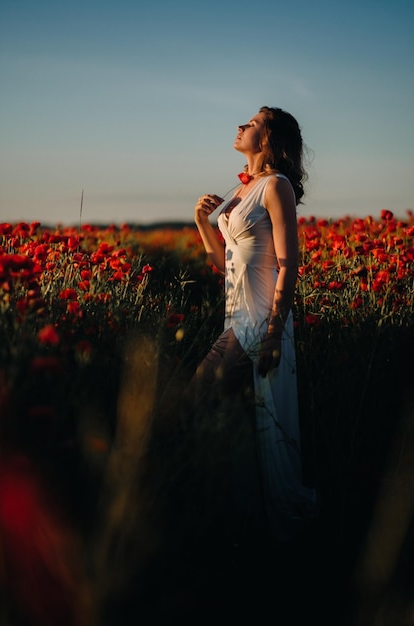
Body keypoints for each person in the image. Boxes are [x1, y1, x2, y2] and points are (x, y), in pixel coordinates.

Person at [192, 106, 316, 543]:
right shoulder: (240, 189)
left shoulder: (275, 186)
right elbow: (221, 263)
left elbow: (289, 264)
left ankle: (230, 507)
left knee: (201, 389)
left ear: (269, 139)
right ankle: (237, 506)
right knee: (233, 411)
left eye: (253, 122)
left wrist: (273, 333)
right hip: (236, 314)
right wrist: (202, 223)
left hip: (259, 319)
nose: (242, 125)